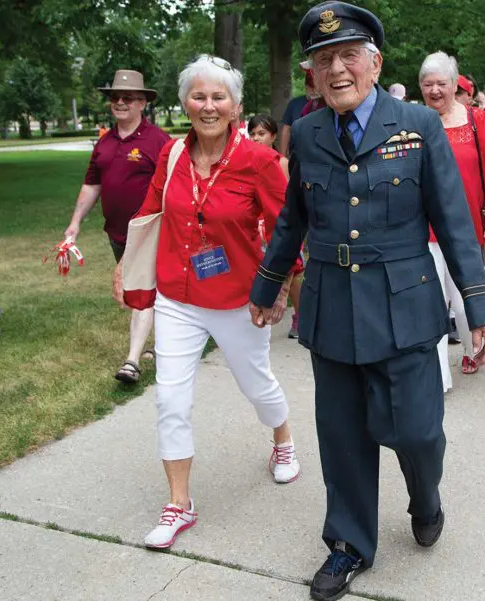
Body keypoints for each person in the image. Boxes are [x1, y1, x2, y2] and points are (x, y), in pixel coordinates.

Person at [248, 4, 485, 599]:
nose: (337, 69)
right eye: (323, 59)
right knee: (341, 436)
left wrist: (479, 307)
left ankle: (426, 496)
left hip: (405, 307)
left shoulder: (418, 125)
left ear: (375, 62)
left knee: (416, 431)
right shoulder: (307, 133)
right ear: (311, 73)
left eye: (348, 56)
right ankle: (349, 543)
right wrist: (267, 285)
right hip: (333, 308)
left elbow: (454, 222)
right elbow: (293, 220)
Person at [112, 54, 302, 550]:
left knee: (257, 385)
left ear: (236, 106)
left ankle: (282, 439)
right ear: (184, 103)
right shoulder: (173, 156)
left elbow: (287, 232)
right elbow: (150, 211)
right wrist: (127, 264)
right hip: (178, 296)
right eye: (199, 96)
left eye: (219, 97)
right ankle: (179, 503)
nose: (208, 105)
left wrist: (279, 288)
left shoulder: (259, 161)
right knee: (170, 398)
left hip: (239, 299)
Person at [64, 70, 170, 384]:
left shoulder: (158, 141)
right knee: (148, 292)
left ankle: (132, 361)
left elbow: (168, 189)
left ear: (143, 103)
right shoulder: (105, 143)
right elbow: (91, 185)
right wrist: (74, 224)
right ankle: (162, 346)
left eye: (128, 98)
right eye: (115, 98)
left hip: (151, 230)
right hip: (117, 233)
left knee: (142, 290)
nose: (120, 103)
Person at [419, 52, 485, 379]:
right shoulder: (414, 121)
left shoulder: (476, 120)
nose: (434, 91)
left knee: (464, 300)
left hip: (466, 227)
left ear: (455, 86)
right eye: (427, 84)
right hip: (423, 229)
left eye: (441, 84)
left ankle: (477, 351)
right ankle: (439, 376)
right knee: (432, 304)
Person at [248, 113, 304, 338]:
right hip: (259, 226)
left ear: (273, 135)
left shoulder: (281, 163)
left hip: (283, 225)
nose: (255, 138)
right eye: (252, 134)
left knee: (294, 272)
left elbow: (290, 199)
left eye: (261, 133)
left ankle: (300, 316)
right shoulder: (249, 160)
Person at [278, 66, 318, 157]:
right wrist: (282, 156)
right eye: (311, 87)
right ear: (306, 86)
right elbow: (286, 130)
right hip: (298, 152)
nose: (314, 91)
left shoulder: (328, 104)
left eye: (317, 87)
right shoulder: (295, 104)